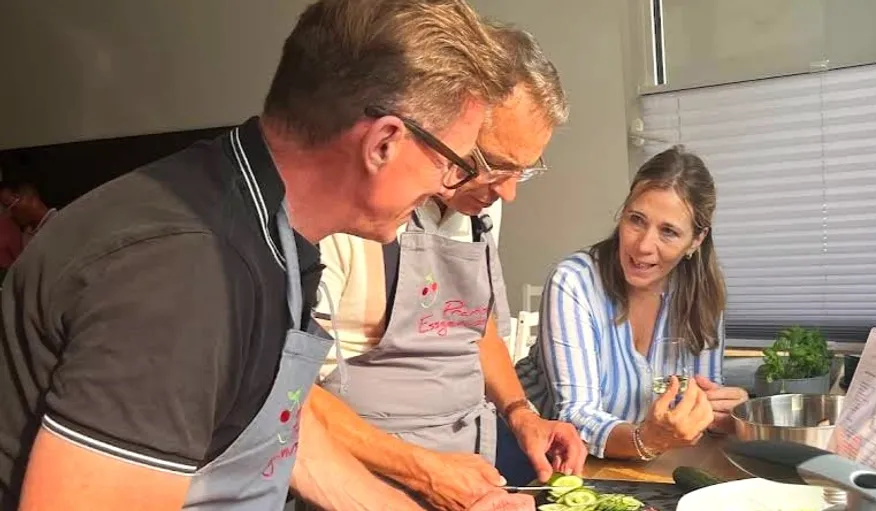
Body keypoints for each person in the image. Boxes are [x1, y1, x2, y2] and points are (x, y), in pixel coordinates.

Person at [0, 1, 535, 510]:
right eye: (453, 164)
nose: (448, 185)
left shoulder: (271, 225)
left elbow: (279, 424)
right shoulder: (187, 273)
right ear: (383, 144)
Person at [307, 23, 586, 510]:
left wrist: (520, 413)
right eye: (493, 164)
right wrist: (425, 471)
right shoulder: (351, 220)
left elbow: (474, 325)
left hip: (473, 478)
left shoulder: (479, 207)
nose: (508, 193)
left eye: (523, 171)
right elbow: (294, 401)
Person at [516, 146, 749, 462]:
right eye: (636, 220)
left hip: (641, 462)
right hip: (545, 461)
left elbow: (698, 403)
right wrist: (647, 439)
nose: (643, 246)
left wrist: (722, 415)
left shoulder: (702, 296)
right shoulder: (574, 282)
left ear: (696, 240)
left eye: (668, 232)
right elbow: (575, 415)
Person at [0, 181, 57, 246]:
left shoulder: (59, 221)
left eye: (11, 205)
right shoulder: (26, 235)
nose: (11, 213)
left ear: (31, 197)